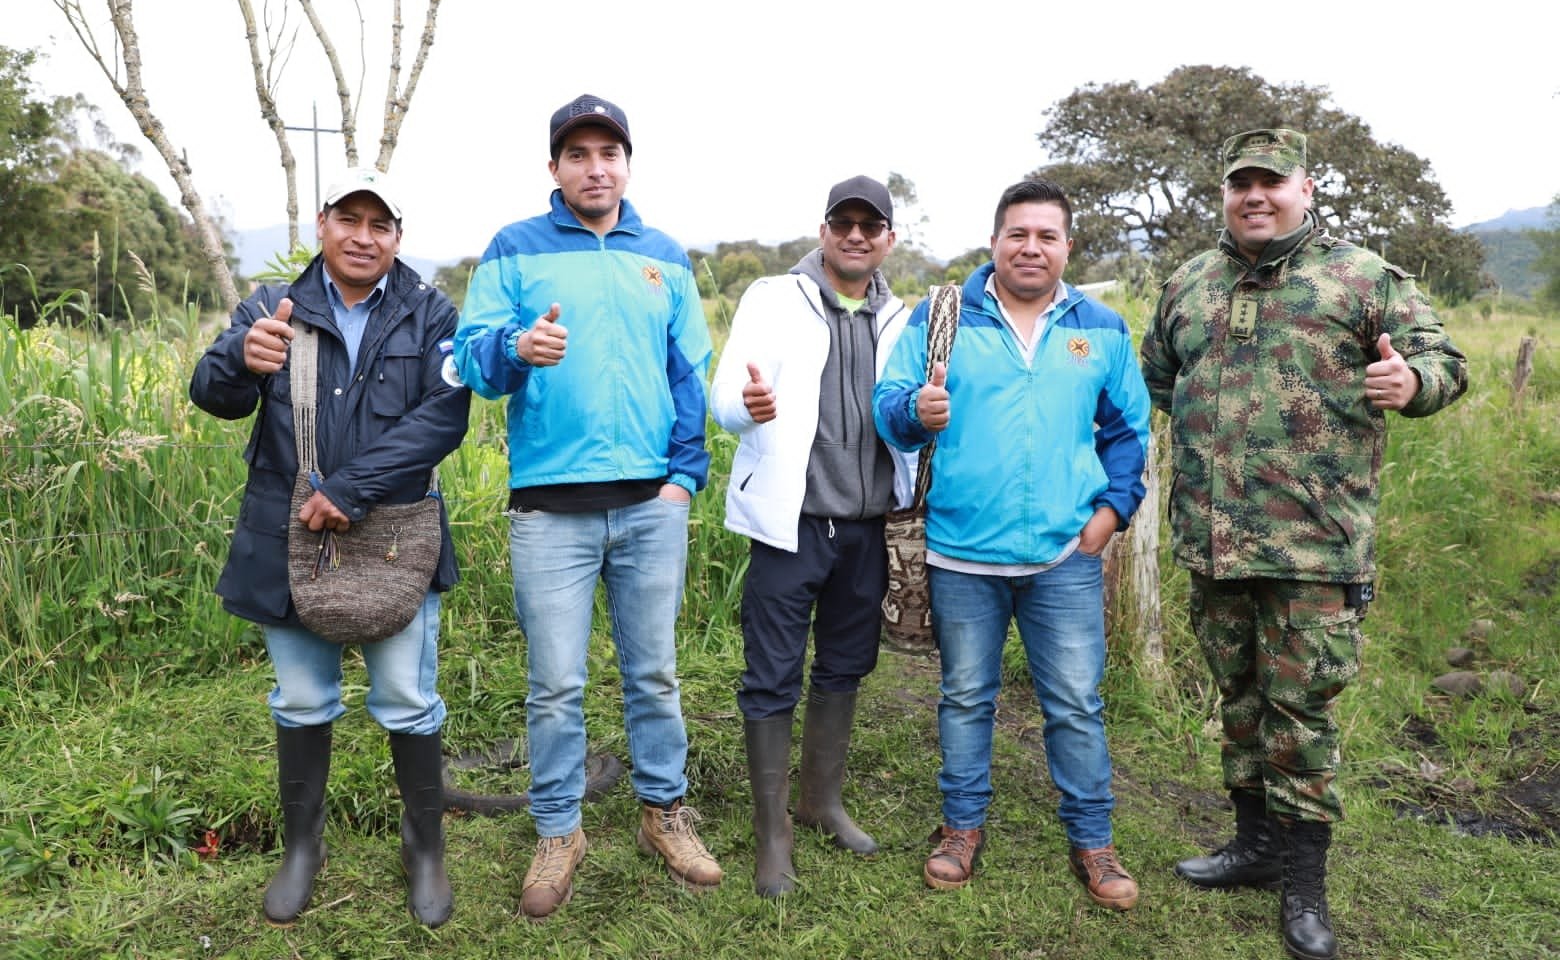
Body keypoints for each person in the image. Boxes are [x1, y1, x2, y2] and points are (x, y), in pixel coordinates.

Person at [1139, 128, 1468, 960]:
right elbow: (1160, 380)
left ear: (1306, 187)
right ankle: (1252, 848)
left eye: (1271, 181)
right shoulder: (1188, 283)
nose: (1256, 195)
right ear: (1225, 193)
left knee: (1302, 717)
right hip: (1213, 546)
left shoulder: (1362, 277)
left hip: (1314, 551)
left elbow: (1442, 359)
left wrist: (1413, 383)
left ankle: (1304, 887)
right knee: (1240, 703)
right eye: (1240, 182)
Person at [452, 93, 720, 919]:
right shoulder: (513, 249)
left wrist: (682, 480)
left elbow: (689, 377)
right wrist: (515, 348)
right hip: (549, 512)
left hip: (650, 506)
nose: (595, 167)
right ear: (555, 169)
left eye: (609, 152)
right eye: (579, 154)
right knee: (555, 685)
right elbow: (471, 359)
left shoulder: (664, 257)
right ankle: (560, 829)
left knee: (655, 673)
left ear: (627, 164)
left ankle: (664, 814)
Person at [189, 168, 470, 928]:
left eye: (381, 224)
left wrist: (349, 491)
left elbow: (444, 419)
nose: (364, 236)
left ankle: (424, 848)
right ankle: (302, 849)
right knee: (304, 699)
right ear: (323, 224)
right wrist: (237, 360)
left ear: (398, 238)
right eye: (351, 218)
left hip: (394, 540)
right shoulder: (272, 305)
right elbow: (212, 394)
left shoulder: (430, 312)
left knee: (408, 701)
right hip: (286, 541)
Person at [873, 178, 1152, 909]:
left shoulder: (1103, 328)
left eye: (1047, 236)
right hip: (961, 551)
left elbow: (1128, 432)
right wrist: (916, 409)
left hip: (1065, 557)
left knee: (1075, 704)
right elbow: (889, 408)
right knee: (966, 697)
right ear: (995, 240)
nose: (1032, 247)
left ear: (1067, 246)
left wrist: (1112, 513)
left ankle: (1094, 841)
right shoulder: (941, 317)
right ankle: (961, 828)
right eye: (1018, 234)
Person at [710, 175, 914, 897]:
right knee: (771, 675)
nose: (856, 235)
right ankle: (773, 835)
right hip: (789, 525)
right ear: (824, 229)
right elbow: (724, 394)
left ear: (890, 238)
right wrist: (747, 404)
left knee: (844, 666)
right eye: (843, 222)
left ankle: (821, 800)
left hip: (865, 527)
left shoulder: (902, 317)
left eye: (871, 225)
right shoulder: (774, 296)